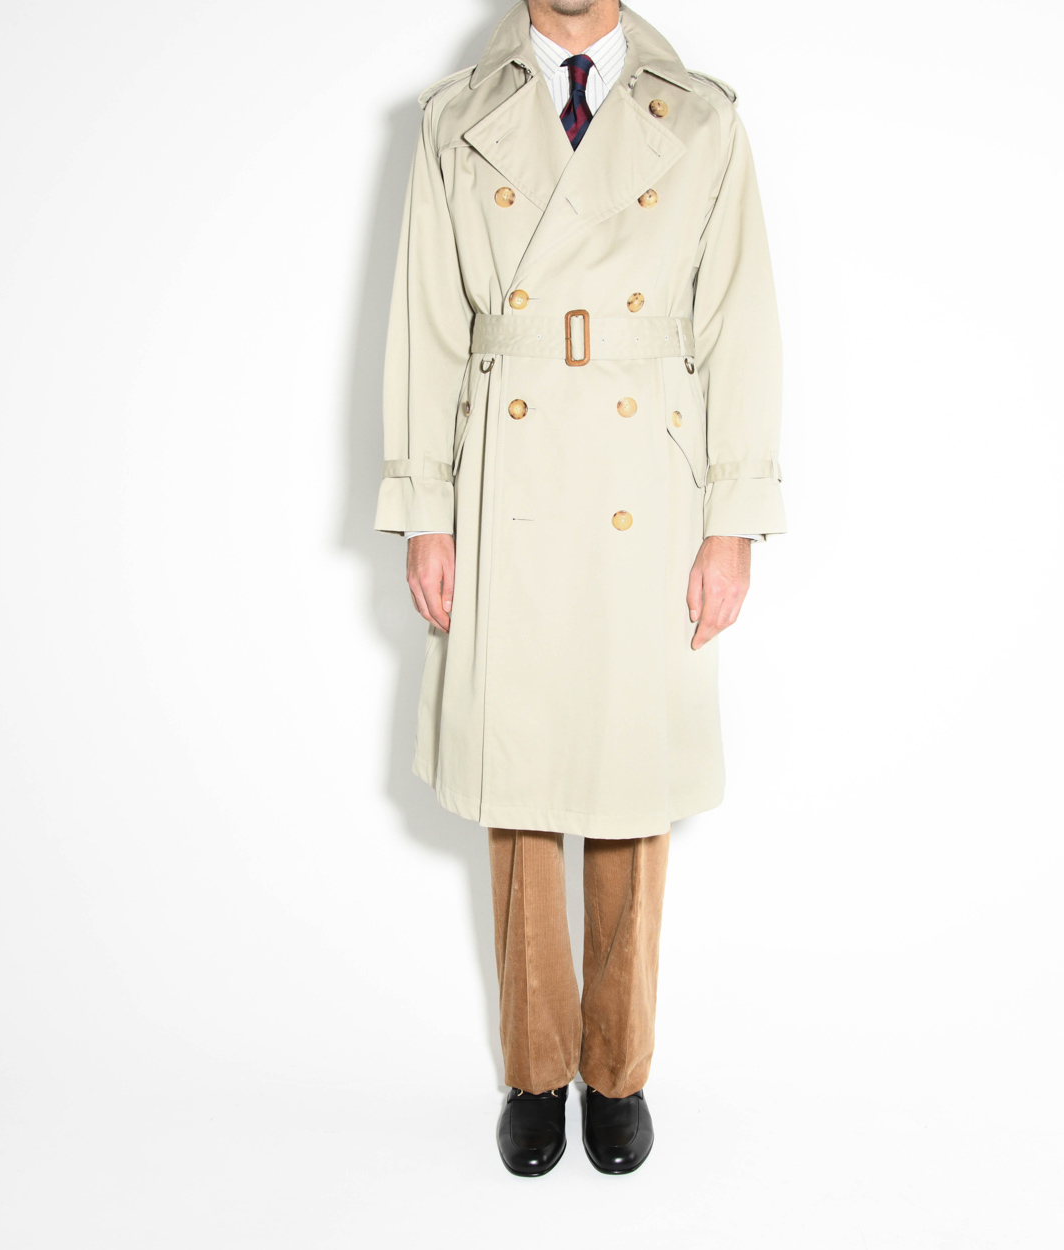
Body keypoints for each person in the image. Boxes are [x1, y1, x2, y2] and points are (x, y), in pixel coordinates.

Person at [374, 0, 783, 1176]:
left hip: (644, 481)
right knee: (518, 785)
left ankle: (616, 1069)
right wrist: (425, 508)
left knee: (628, 786)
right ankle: (534, 1064)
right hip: (507, 474)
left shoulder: (700, 120)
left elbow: (740, 325)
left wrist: (732, 520)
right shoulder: (455, 119)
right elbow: (426, 326)